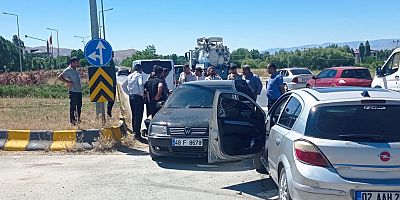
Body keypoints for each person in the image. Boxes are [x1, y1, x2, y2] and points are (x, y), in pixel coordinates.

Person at [122, 64, 144, 139]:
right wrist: (142, 94)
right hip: (138, 97)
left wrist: (129, 93)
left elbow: (123, 86)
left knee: (134, 115)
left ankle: (134, 132)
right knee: (139, 115)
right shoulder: (139, 75)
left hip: (131, 97)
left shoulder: (130, 76)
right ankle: (137, 134)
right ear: (140, 69)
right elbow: (140, 84)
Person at [58, 57, 82, 125]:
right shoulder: (68, 70)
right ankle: (72, 120)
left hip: (79, 91)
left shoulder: (76, 70)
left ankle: (78, 119)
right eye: (76, 62)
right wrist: (67, 81)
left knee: (79, 106)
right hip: (73, 91)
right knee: (73, 106)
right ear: (72, 63)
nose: (77, 64)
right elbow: (59, 77)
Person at [107, 52, 117, 117]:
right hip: (110, 84)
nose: (113, 55)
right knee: (111, 99)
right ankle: (108, 112)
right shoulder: (108, 62)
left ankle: (109, 112)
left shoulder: (111, 62)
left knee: (111, 100)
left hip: (112, 83)